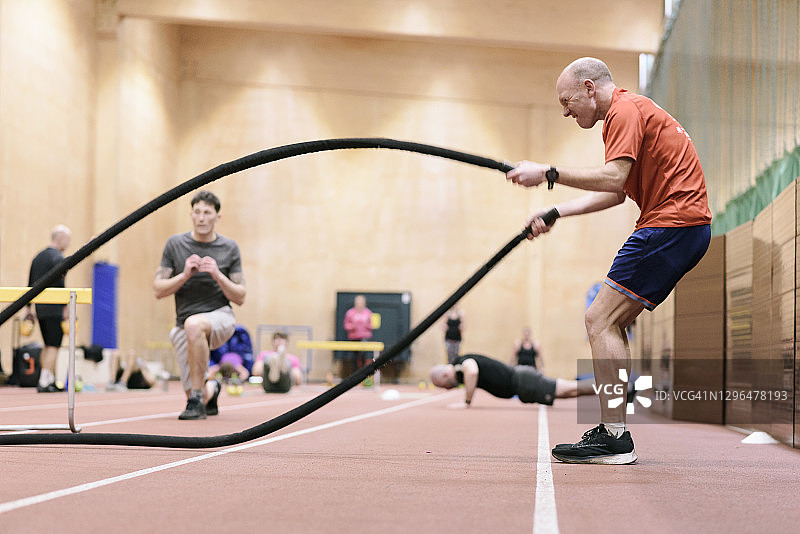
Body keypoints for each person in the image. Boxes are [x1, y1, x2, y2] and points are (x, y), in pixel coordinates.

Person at [506, 57, 712, 464]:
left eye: (567, 101)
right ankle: (614, 431)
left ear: (588, 87)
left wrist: (547, 172)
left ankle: (616, 436)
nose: (565, 112)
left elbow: (614, 178)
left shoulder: (623, 111)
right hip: (681, 226)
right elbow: (617, 192)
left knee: (599, 318)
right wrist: (555, 212)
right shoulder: (628, 112)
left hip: (672, 224)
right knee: (608, 321)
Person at [154, 190, 246, 420]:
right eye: (197, 212)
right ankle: (208, 392)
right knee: (191, 327)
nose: (202, 217)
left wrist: (217, 274)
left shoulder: (229, 247)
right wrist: (184, 275)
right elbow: (158, 289)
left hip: (221, 317)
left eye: (207, 212)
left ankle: (195, 397)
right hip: (183, 324)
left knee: (194, 325)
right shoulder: (175, 244)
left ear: (218, 217)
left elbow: (240, 296)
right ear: (191, 215)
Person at [429, 353, 595, 408]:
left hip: (522, 380)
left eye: (442, 386)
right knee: (568, 392)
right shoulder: (460, 366)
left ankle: (614, 387)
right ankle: (611, 388)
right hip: (521, 383)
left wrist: (467, 402)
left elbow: (472, 371)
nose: (446, 389)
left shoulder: (460, 364)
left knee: (570, 389)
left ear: (444, 375)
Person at [26, 224, 71, 393]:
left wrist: (28, 307)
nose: (68, 245)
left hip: (40, 307)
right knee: (54, 345)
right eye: (67, 240)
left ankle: (47, 378)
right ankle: (45, 380)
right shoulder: (58, 258)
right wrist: (65, 307)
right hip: (54, 308)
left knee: (47, 344)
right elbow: (61, 284)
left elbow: (30, 282)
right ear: (59, 238)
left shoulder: (38, 257)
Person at [343, 294, 373, 370]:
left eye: (361, 302)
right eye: (358, 303)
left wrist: (366, 325)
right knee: (355, 358)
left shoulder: (368, 312)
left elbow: (372, 325)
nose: (359, 304)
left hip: (364, 338)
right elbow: (346, 325)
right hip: (354, 338)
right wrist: (353, 326)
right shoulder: (350, 313)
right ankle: (355, 374)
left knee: (364, 357)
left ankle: (364, 375)